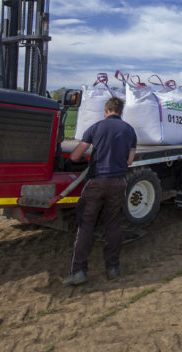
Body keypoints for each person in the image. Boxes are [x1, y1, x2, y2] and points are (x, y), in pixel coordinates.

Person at [63, 96, 137, 286]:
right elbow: (129, 161)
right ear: (121, 112)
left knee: (86, 225)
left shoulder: (96, 128)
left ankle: (79, 271)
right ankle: (113, 269)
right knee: (113, 225)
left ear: (106, 111)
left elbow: (76, 156)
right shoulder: (129, 131)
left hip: (96, 183)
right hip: (118, 183)